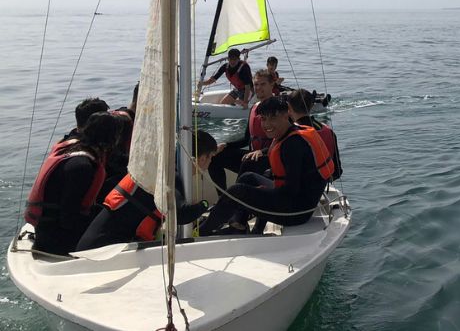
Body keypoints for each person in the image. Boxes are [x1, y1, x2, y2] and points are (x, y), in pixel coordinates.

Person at [199, 96, 335, 236]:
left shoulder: (293, 145)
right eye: (263, 119)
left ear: (286, 114)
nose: (267, 124)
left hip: (296, 213)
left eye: (273, 118)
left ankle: (200, 232)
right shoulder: (290, 132)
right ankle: (239, 225)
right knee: (248, 177)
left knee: (237, 191)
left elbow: (290, 191)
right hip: (295, 201)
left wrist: (257, 195)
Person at [76, 130, 218, 250]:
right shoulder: (170, 175)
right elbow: (181, 215)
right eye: (211, 157)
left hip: (96, 242)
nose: (211, 162)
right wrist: (204, 204)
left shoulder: (161, 166)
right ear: (202, 158)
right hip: (103, 249)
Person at [25, 112, 119, 255]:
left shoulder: (75, 151)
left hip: (48, 227)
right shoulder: (82, 167)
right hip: (55, 238)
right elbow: (68, 217)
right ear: (110, 138)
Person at [208, 69, 279, 193]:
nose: (258, 88)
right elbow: (246, 139)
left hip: (271, 159)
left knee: (248, 162)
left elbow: (286, 139)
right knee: (215, 156)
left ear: (272, 85)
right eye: (256, 84)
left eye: (263, 84)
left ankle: (234, 201)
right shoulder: (254, 108)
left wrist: (262, 151)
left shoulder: (280, 108)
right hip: (253, 157)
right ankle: (224, 197)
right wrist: (225, 145)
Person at [287, 89, 343, 182]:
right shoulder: (329, 131)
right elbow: (337, 171)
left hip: (299, 187)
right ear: (312, 106)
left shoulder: (290, 134)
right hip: (323, 182)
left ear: (289, 108)